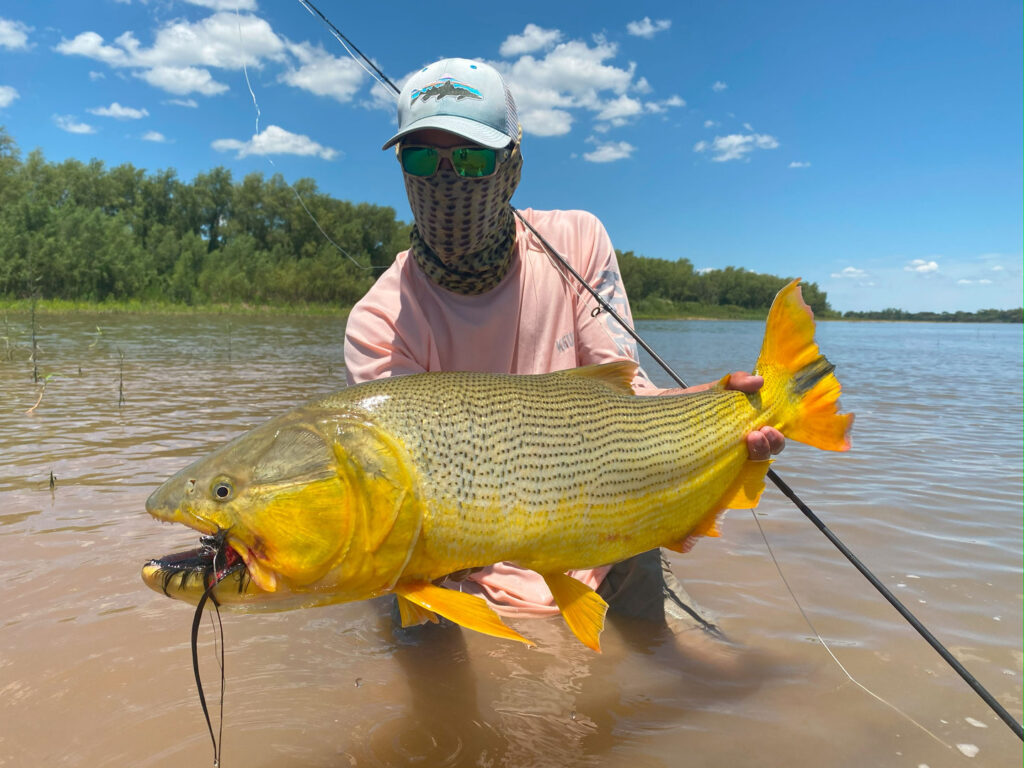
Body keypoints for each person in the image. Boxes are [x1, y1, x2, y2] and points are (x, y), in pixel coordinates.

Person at [343, 58, 784, 647]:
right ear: (402, 169)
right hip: (463, 585)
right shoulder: (378, 319)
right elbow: (406, 500)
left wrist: (717, 414)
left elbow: (627, 396)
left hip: (607, 541)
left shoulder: (577, 242)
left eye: (472, 158)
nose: (447, 181)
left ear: (512, 167)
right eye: (423, 158)